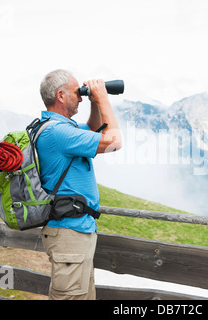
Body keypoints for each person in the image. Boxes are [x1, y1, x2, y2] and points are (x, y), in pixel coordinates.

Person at [37, 69, 122, 300]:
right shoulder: (58, 132)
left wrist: (95, 103)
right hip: (69, 234)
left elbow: (95, 130)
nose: (81, 97)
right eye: (78, 93)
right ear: (61, 96)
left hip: (75, 233)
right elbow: (114, 142)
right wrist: (103, 98)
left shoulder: (62, 128)